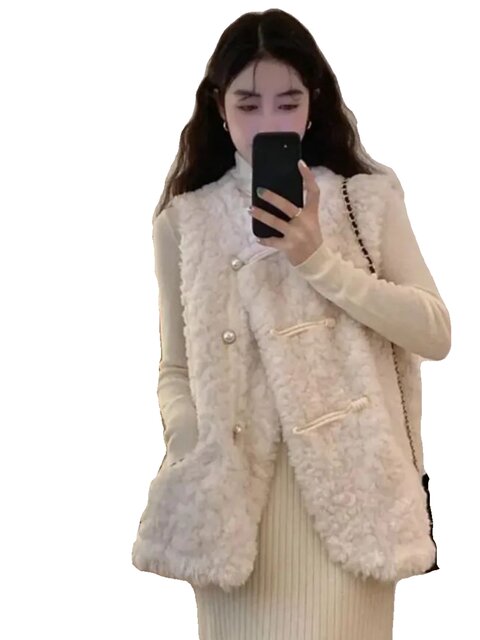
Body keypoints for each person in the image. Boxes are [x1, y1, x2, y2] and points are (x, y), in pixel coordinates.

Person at [133, 9, 451, 640]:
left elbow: (434, 333)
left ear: (313, 106)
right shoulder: (184, 221)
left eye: (288, 102)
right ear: (220, 108)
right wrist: (193, 438)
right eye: (249, 104)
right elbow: (175, 368)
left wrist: (317, 260)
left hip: (355, 512)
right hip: (235, 521)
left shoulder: (365, 200)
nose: (269, 122)